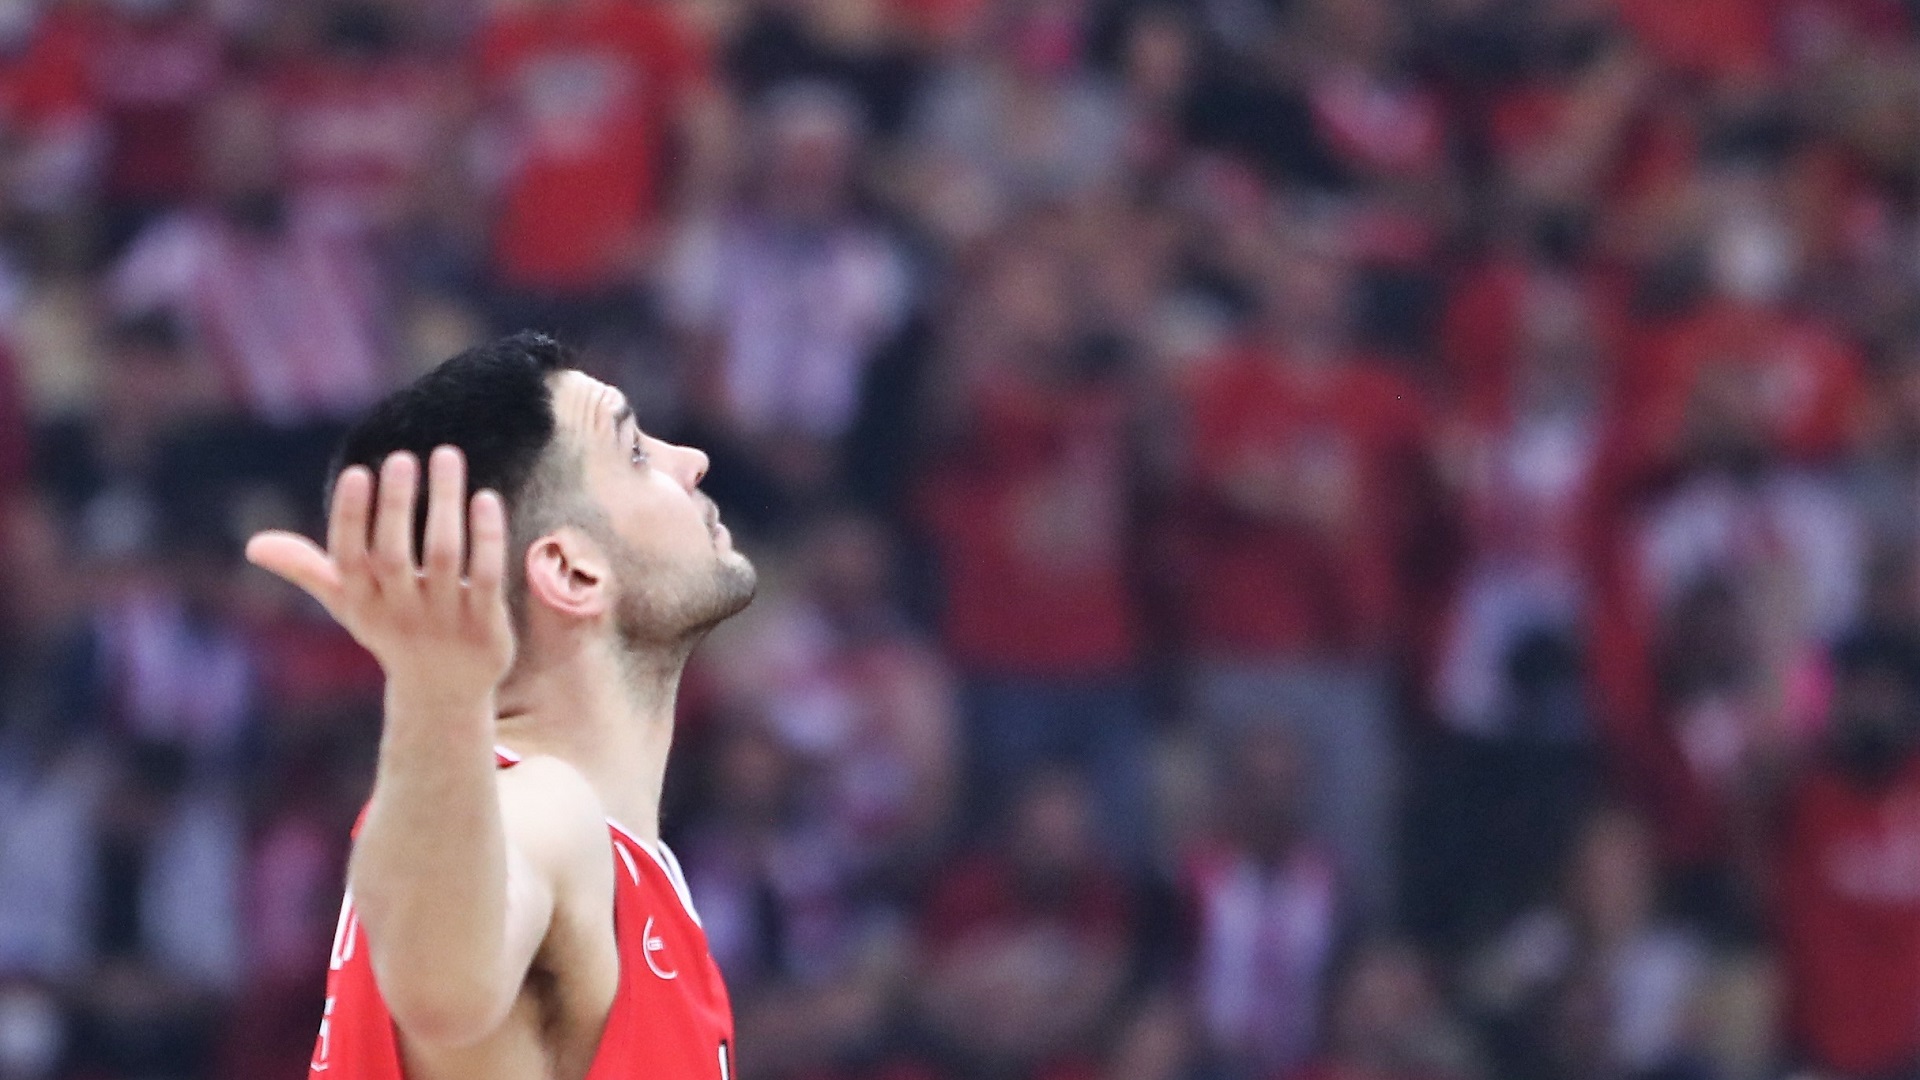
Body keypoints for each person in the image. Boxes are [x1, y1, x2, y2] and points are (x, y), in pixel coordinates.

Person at [243, 332, 757, 1080]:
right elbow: (444, 989)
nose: (692, 460)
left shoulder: (619, 862)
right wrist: (436, 696)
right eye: (635, 453)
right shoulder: (539, 809)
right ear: (572, 571)